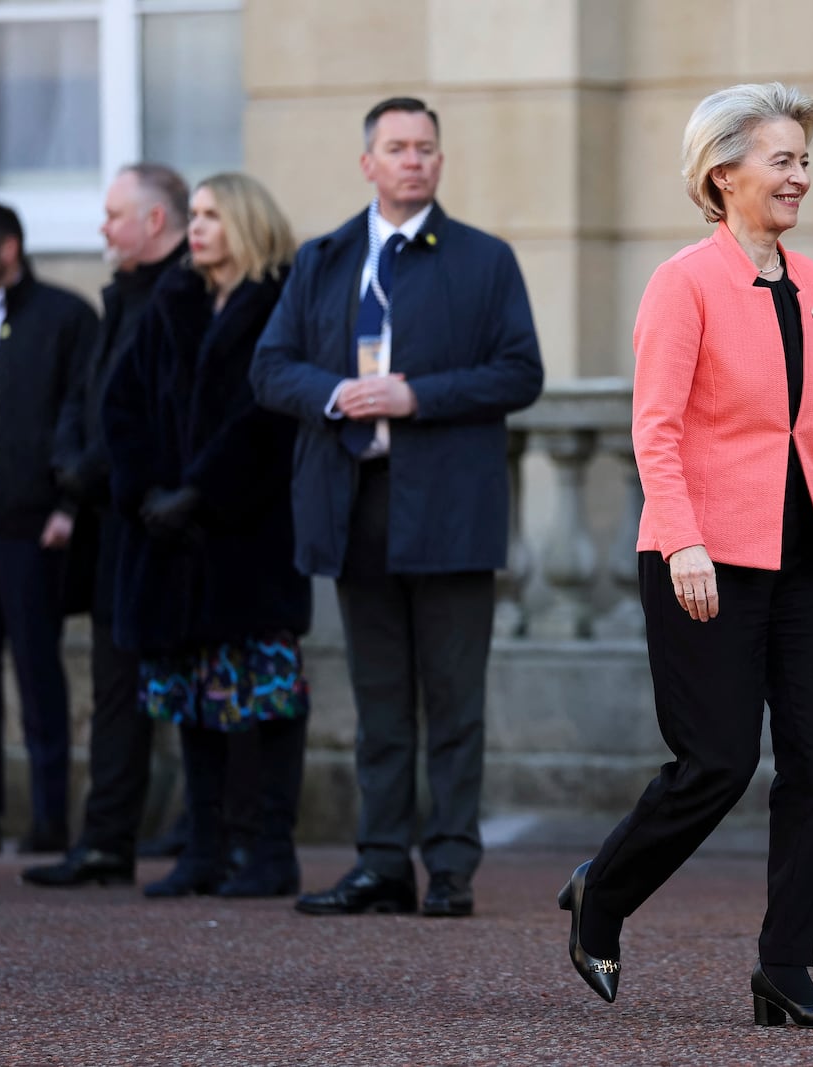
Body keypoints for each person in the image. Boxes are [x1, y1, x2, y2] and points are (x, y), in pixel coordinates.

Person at [558, 82, 813, 1030]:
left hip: (802, 553)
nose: (801, 175)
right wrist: (682, 538)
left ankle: (785, 968)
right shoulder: (682, 282)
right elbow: (657, 429)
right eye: (784, 160)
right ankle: (602, 893)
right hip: (706, 554)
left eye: (805, 160)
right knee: (719, 761)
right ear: (724, 175)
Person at [251, 97, 543, 918]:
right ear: (367, 164)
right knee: (380, 708)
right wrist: (336, 392)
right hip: (354, 507)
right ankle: (382, 862)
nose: (413, 160)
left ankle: (450, 868)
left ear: (440, 163)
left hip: (450, 510)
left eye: (426, 148)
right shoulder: (323, 259)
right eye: (397, 147)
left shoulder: (485, 261)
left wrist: (420, 395)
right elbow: (270, 368)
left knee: (453, 702)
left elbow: (520, 372)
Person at [99, 173, 310, 898]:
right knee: (189, 696)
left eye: (213, 216)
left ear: (245, 223)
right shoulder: (172, 300)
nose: (197, 227)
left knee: (268, 698)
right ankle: (204, 847)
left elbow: (270, 416)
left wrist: (203, 490)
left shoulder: (279, 299)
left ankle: (273, 849)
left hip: (246, 537)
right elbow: (121, 401)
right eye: (193, 215)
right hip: (169, 539)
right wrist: (148, 491)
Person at [23, 164, 190, 888]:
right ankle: (106, 839)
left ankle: (202, 833)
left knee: (186, 684)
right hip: (111, 524)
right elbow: (85, 396)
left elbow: (155, 411)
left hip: (165, 524)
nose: (101, 227)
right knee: (116, 683)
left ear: (154, 221)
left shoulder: (182, 297)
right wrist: (71, 463)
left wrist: (94, 464)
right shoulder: (118, 297)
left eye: (114, 213)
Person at [0, 203, 96, 854]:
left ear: (8, 248)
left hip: (28, 515)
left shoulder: (63, 318)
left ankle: (48, 818)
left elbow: (81, 412)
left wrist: (68, 504)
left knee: (37, 667)